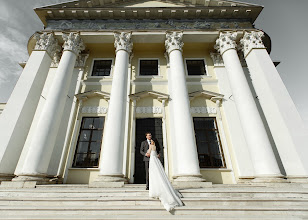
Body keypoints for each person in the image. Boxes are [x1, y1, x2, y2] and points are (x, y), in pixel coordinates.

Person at [147, 139, 183, 212]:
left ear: (152, 142)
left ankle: (155, 189)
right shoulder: (155, 146)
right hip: (156, 160)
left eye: (151, 141)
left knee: (153, 173)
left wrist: (147, 152)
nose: (151, 142)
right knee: (158, 173)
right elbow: (155, 153)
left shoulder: (151, 146)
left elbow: (148, 153)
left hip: (152, 160)